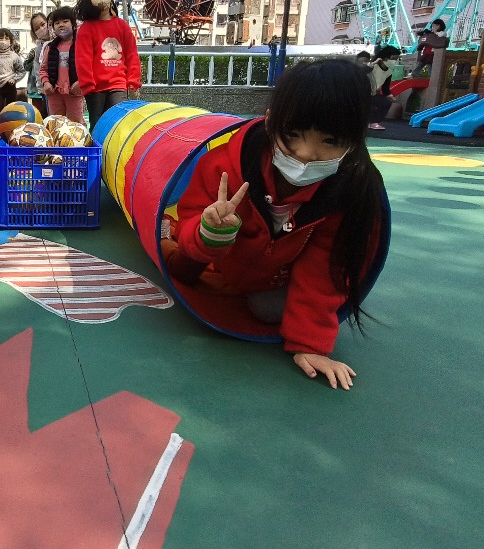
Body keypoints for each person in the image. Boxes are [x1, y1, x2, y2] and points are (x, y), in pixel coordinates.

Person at [162, 58, 386, 391]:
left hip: (271, 275)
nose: (306, 154)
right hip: (216, 256)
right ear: (270, 122)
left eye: (329, 141)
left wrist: (310, 345)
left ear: (354, 140)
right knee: (182, 266)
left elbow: (325, 267)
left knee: (268, 309)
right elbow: (191, 219)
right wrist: (211, 230)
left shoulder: (345, 190)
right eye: (292, 135)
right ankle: (172, 239)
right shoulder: (226, 165)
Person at [74, 0, 141, 129]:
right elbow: (83, 59)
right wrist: (87, 84)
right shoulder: (86, 28)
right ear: (89, 1)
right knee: (98, 125)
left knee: (118, 123)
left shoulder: (122, 26)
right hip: (95, 88)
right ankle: (96, 145)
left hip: (118, 84)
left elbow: (132, 54)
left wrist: (133, 80)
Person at [39, 6, 85, 124]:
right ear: (53, 27)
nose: (61, 25)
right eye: (57, 23)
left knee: (75, 123)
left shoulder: (81, 45)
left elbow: (87, 67)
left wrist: (80, 82)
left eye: (65, 21)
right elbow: (43, 69)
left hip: (74, 92)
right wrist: (46, 83)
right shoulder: (50, 47)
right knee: (56, 124)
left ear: (73, 24)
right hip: (54, 93)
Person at [0, 28, 25, 127]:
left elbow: (21, 71)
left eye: (6, 38)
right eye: (1, 38)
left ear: (10, 41)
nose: (3, 40)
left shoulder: (14, 56)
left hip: (10, 87)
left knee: (11, 111)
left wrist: (14, 78)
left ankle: (11, 130)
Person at [367, 45, 402, 130]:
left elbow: (385, 88)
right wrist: (372, 64)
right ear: (386, 58)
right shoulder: (373, 66)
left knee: (385, 103)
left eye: (396, 59)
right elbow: (362, 71)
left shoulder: (389, 72)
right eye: (393, 58)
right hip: (361, 93)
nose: (394, 61)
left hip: (373, 94)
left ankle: (374, 123)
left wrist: (390, 96)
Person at [25, 12, 50, 118]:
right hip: (46, 89)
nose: (41, 29)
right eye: (36, 28)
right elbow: (37, 69)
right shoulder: (38, 49)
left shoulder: (60, 42)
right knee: (47, 116)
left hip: (63, 88)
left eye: (42, 24)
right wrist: (42, 88)